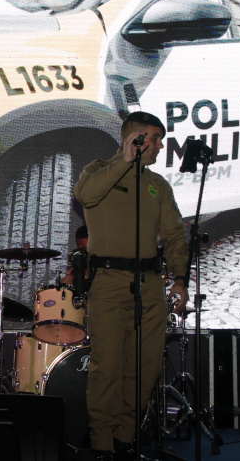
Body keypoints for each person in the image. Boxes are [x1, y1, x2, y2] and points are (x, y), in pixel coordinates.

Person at [73, 112, 189, 461]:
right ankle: (103, 444)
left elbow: (173, 234)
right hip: (108, 282)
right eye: (154, 139)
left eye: (160, 139)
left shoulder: (158, 185)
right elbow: (86, 195)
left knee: (145, 366)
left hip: (150, 285)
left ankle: (126, 439)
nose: (159, 146)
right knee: (107, 366)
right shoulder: (97, 172)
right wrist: (124, 160)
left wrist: (180, 279)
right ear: (135, 138)